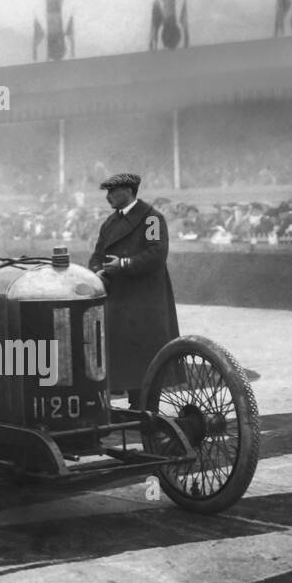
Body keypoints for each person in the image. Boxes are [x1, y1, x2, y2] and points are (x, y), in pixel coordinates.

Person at [87, 172, 179, 409]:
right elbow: (97, 254)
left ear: (128, 191)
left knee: (145, 352)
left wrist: (124, 265)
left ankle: (147, 405)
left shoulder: (150, 218)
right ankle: (134, 402)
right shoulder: (110, 222)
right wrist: (97, 272)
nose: (107, 197)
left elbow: (156, 253)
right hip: (119, 295)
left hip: (145, 297)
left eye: (112, 192)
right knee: (124, 352)